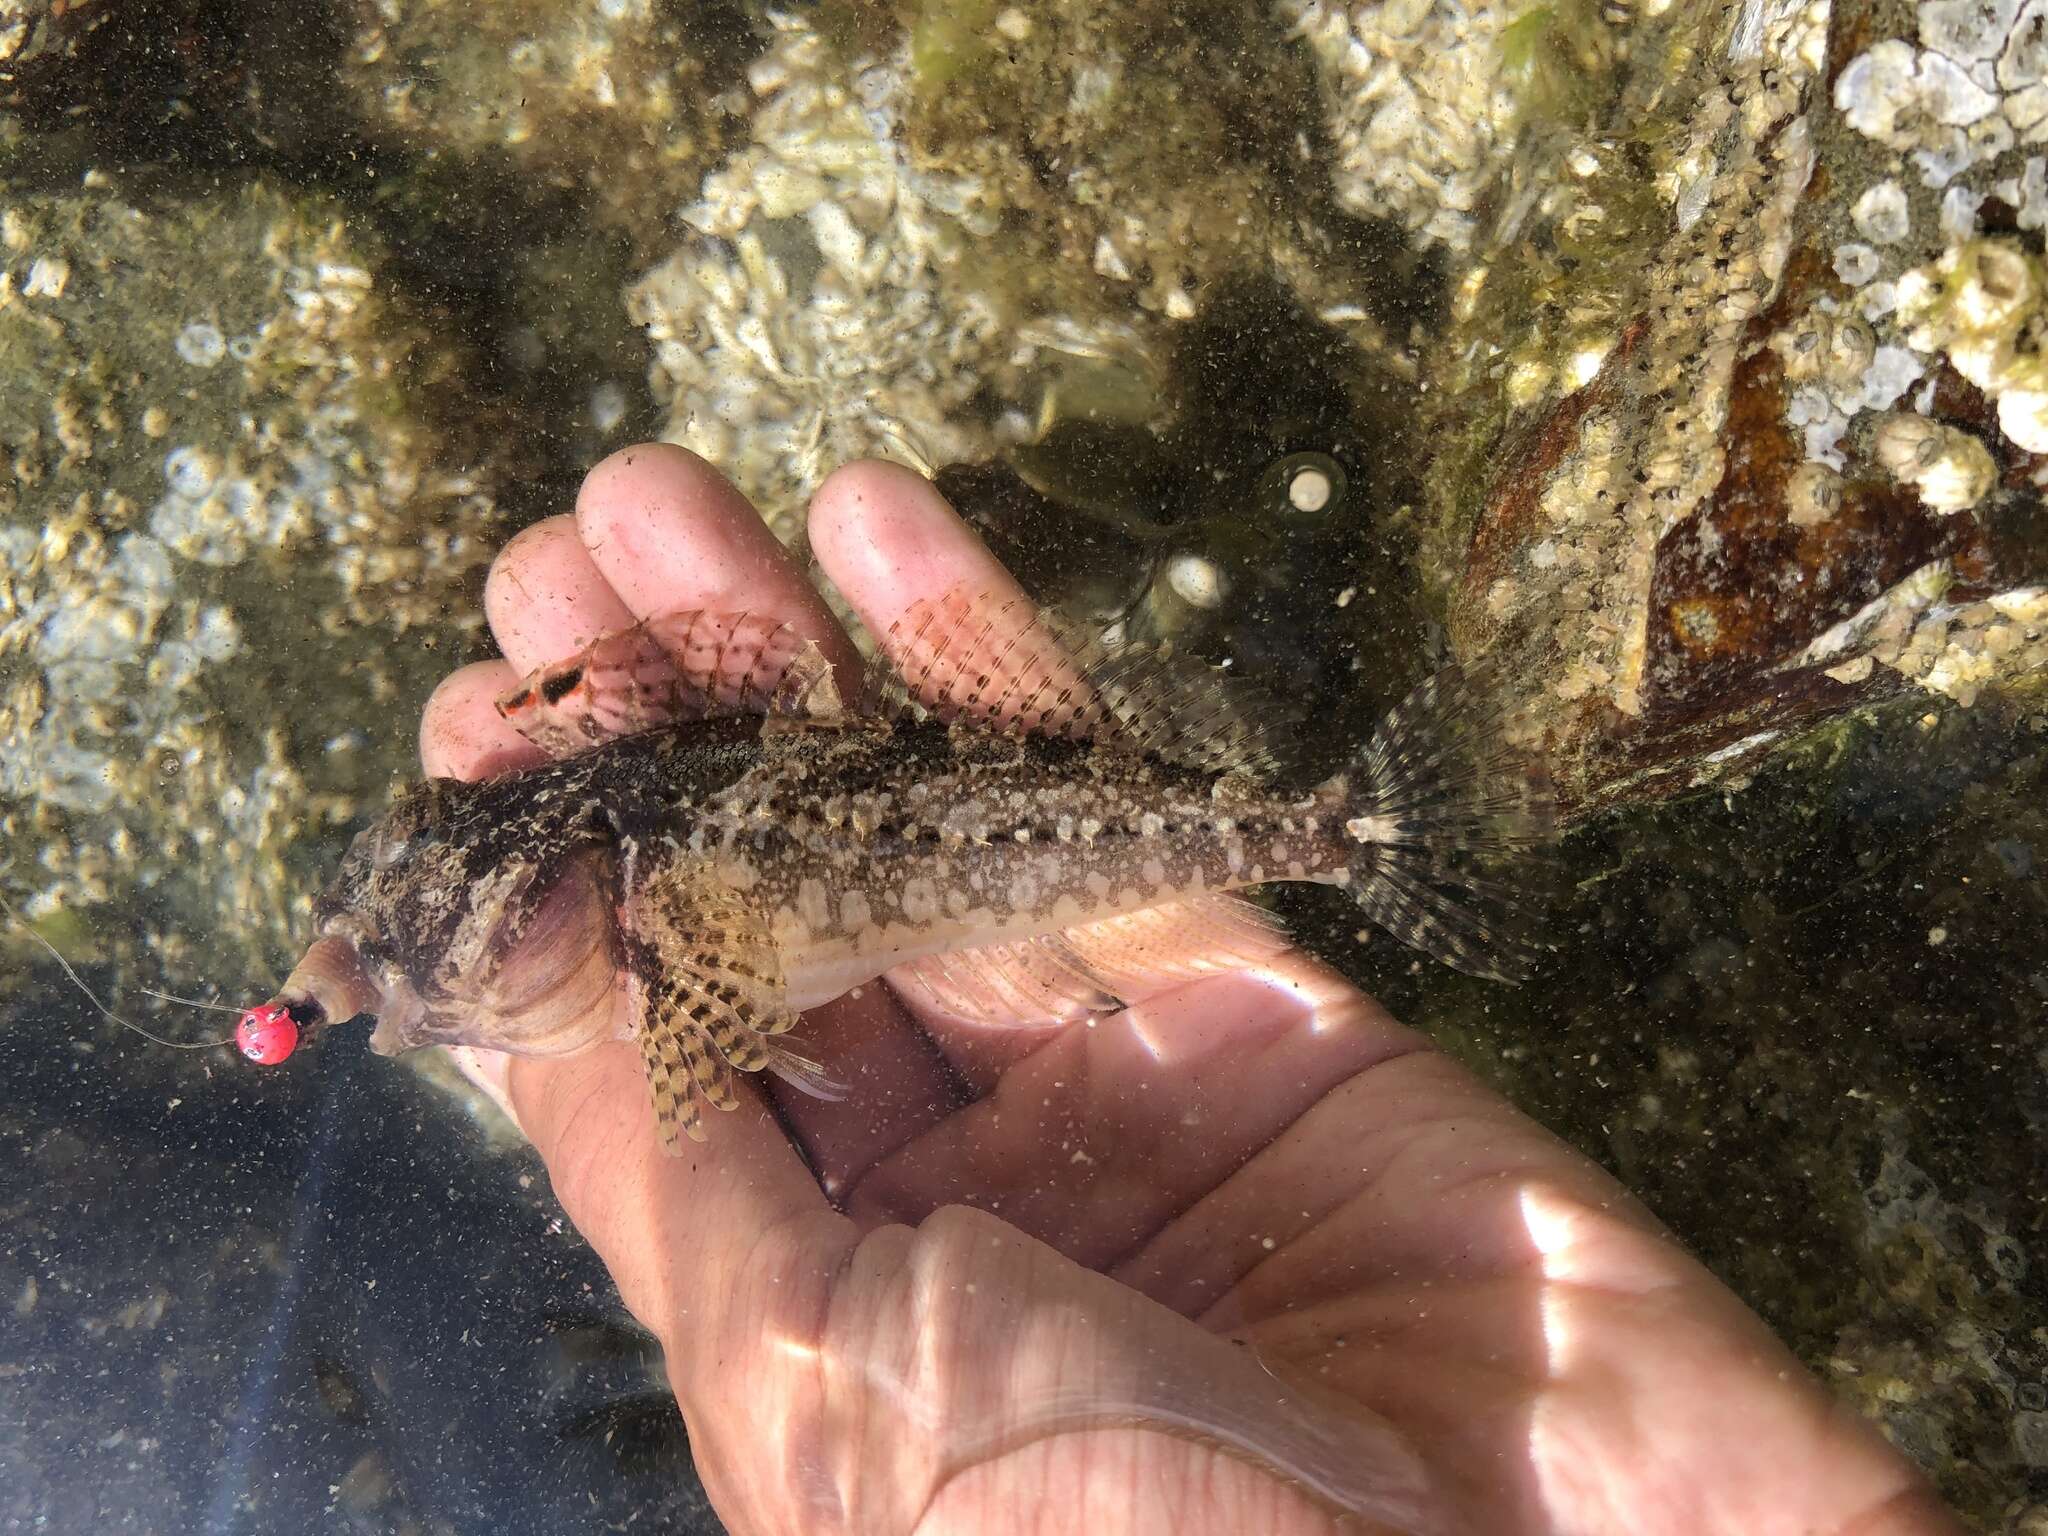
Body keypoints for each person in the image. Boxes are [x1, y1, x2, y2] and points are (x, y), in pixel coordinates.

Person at [421, 444, 1958, 1536]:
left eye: (463, 921)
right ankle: (1344, 831)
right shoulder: (610, 848)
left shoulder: (626, 896)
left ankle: (1345, 832)